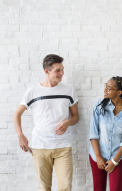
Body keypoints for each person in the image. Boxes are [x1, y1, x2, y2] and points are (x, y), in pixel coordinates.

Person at [13, 54, 79, 191]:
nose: (62, 73)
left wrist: (67, 123)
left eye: (62, 69)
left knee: (66, 187)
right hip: (40, 147)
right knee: (44, 188)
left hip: (63, 147)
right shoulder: (33, 91)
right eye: (58, 70)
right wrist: (21, 136)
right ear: (46, 71)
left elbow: (76, 116)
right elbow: (17, 114)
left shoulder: (69, 90)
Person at [89, 76, 122, 191]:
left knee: (116, 189)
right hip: (97, 155)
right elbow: (93, 133)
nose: (105, 90)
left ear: (119, 92)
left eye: (109, 88)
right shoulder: (99, 105)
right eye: (105, 86)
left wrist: (114, 161)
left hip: (117, 157)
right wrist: (98, 157)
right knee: (98, 188)